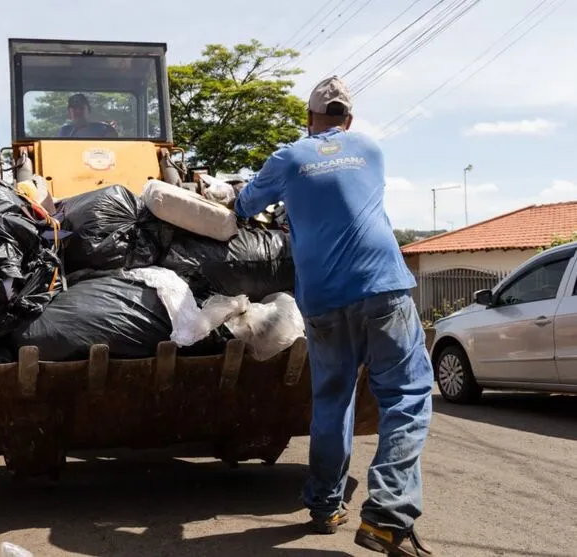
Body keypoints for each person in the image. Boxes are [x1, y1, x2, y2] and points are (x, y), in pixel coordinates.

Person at [233, 76, 434, 557]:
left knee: (332, 400)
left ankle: (325, 506)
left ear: (309, 119)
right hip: (383, 289)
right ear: (349, 119)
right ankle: (386, 517)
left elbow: (243, 206)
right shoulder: (370, 148)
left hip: (323, 300)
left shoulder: (289, 157)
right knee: (406, 397)